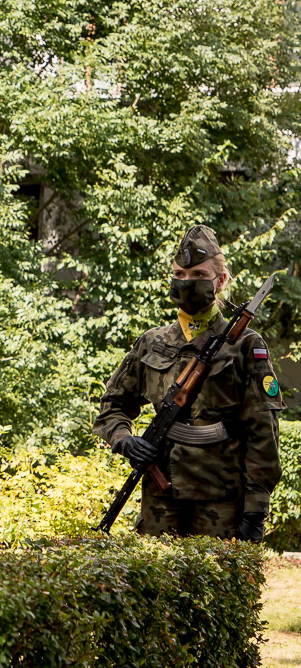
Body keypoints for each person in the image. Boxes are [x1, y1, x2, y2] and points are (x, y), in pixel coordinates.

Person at [94, 225, 285, 541]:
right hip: (160, 498)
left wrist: (255, 511)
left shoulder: (245, 345)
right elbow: (112, 406)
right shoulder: (151, 343)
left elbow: (263, 431)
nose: (186, 282)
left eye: (198, 273)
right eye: (179, 274)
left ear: (220, 281)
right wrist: (124, 439)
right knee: (155, 585)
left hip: (221, 501)